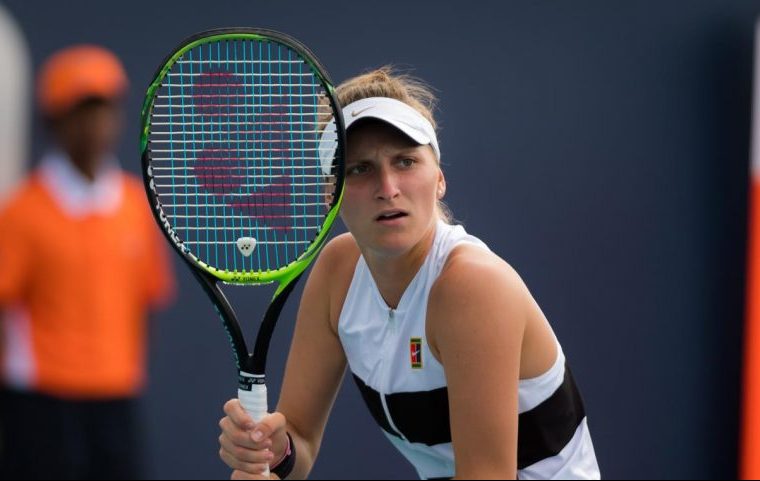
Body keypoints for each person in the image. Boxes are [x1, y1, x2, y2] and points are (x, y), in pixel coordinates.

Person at [217, 67, 600, 480]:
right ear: (331, 192)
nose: (388, 187)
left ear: (439, 178)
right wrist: (274, 453)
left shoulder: (473, 285)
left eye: (405, 161)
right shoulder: (337, 272)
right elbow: (300, 441)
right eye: (359, 169)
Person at [0, 45, 175, 479]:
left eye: (104, 109)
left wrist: (115, 368)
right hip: (39, 405)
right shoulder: (21, 213)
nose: (95, 124)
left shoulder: (135, 206)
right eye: (80, 111)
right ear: (54, 122)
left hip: (115, 403)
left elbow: (147, 301)